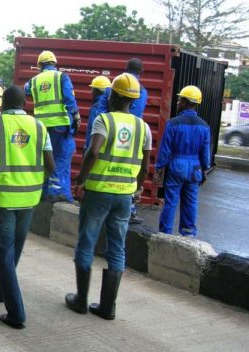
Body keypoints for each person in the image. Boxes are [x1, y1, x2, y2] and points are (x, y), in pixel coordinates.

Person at [0, 86, 55, 329]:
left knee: (3, 254)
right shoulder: (39, 127)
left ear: (2, 104)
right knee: (13, 251)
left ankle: (16, 313)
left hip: (3, 199)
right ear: (25, 103)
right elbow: (51, 165)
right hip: (29, 199)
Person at [65, 73, 151, 320]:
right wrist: (137, 188)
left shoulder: (104, 120)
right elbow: (145, 167)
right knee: (117, 247)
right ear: (133, 101)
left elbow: (93, 152)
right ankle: (107, 307)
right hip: (124, 196)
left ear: (112, 95)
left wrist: (80, 179)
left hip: (99, 191)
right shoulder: (143, 127)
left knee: (87, 242)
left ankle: (81, 301)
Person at [96, 58, 148, 224]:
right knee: (129, 171)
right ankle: (130, 209)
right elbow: (137, 113)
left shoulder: (113, 86)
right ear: (141, 73)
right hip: (132, 135)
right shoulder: (142, 91)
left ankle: (102, 208)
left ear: (125, 68)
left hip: (109, 131)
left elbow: (100, 111)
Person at [25, 50, 80, 202]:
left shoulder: (33, 81)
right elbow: (69, 98)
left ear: (40, 65)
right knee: (60, 157)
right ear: (54, 64)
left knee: (43, 159)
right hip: (59, 125)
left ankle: (43, 191)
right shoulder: (61, 77)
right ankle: (56, 192)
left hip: (41, 127)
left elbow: (25, 90)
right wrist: (76, 116)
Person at [155, 86, 210, 237]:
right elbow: (205, 153)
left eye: (180, 100)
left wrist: (159, 168)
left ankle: (165, 233)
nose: (178, 102)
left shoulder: (173, 123)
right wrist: (204, 169)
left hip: (176, 166)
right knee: (191, 202)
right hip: (194, 168)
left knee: (171, 201)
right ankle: (188, 233)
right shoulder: (204, 126)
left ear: (185, 102)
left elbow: (165, 150)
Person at [84, 75, 111, 152]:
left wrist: (88, 148)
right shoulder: (108, 104)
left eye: (93, 89)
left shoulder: (97, 106)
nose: (91, 92)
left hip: (93, 148)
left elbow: (93, 128)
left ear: (97, 90)